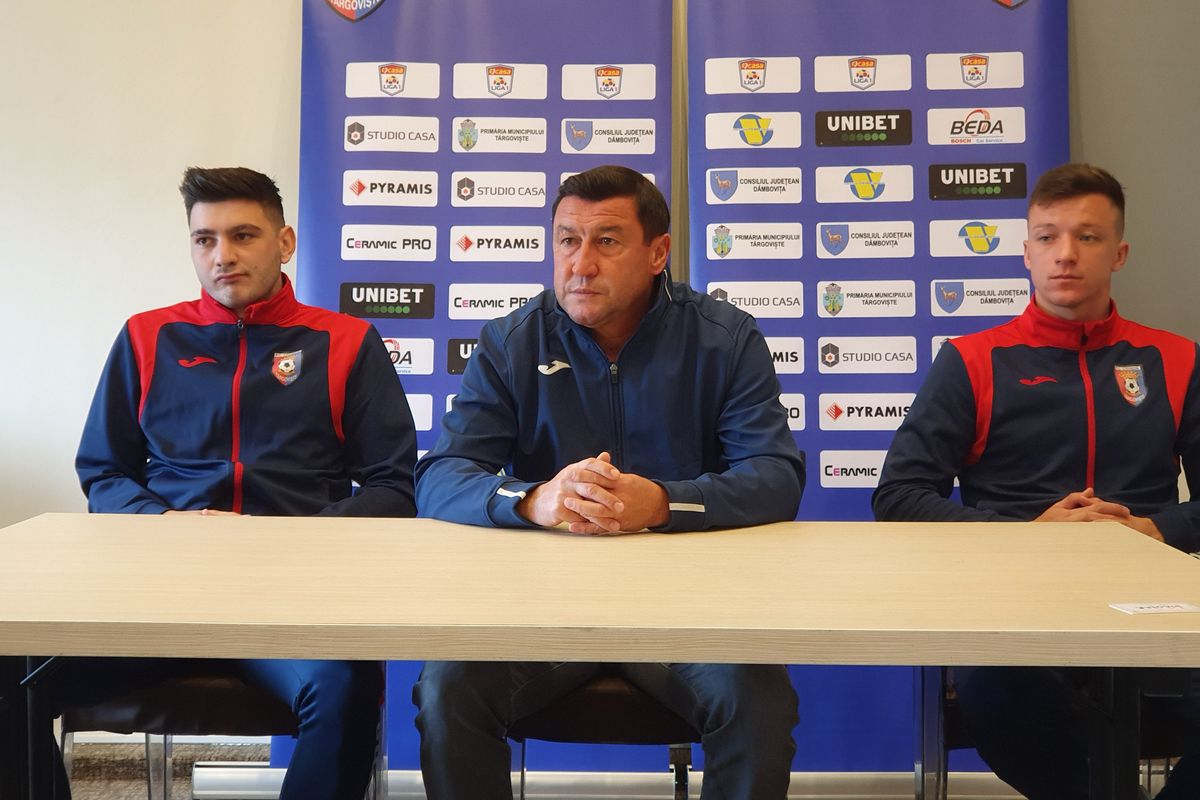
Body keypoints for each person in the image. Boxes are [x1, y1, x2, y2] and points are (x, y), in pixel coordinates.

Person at [412, 165, 806, 799]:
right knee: (447, 690)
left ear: (657, 253)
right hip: (541, 610)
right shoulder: (512, 342)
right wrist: (533, 500)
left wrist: (664, 503)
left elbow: (776, 476)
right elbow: (440, 477)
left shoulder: (725, 339)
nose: (581, 264)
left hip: (690, 609)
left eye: (607, 241)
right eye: (567, 240)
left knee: (756, 702)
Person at [65, 166, 418, 800]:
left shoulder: (347, 342)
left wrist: (288, 539)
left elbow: (394, 486)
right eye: (204, 239)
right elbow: (103, 471)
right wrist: (165, 524)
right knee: (14, 672)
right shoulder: (147, 336)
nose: (222, 256)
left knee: (345, 688)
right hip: (160, 596)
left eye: (243, 235)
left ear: (285, 243)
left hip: (294, 599)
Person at [873, 163, 1200, 799]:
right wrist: (1029, 535)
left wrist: (1154, 529)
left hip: (1151, 614)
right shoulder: (971, 360)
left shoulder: (1176, 359)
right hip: (1015, 619)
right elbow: (899, 497)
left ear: (1119, 253)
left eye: (1088, 237)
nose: (1065, 254)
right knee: (998, 696)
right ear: (1027, 253)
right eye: (1048, 238)